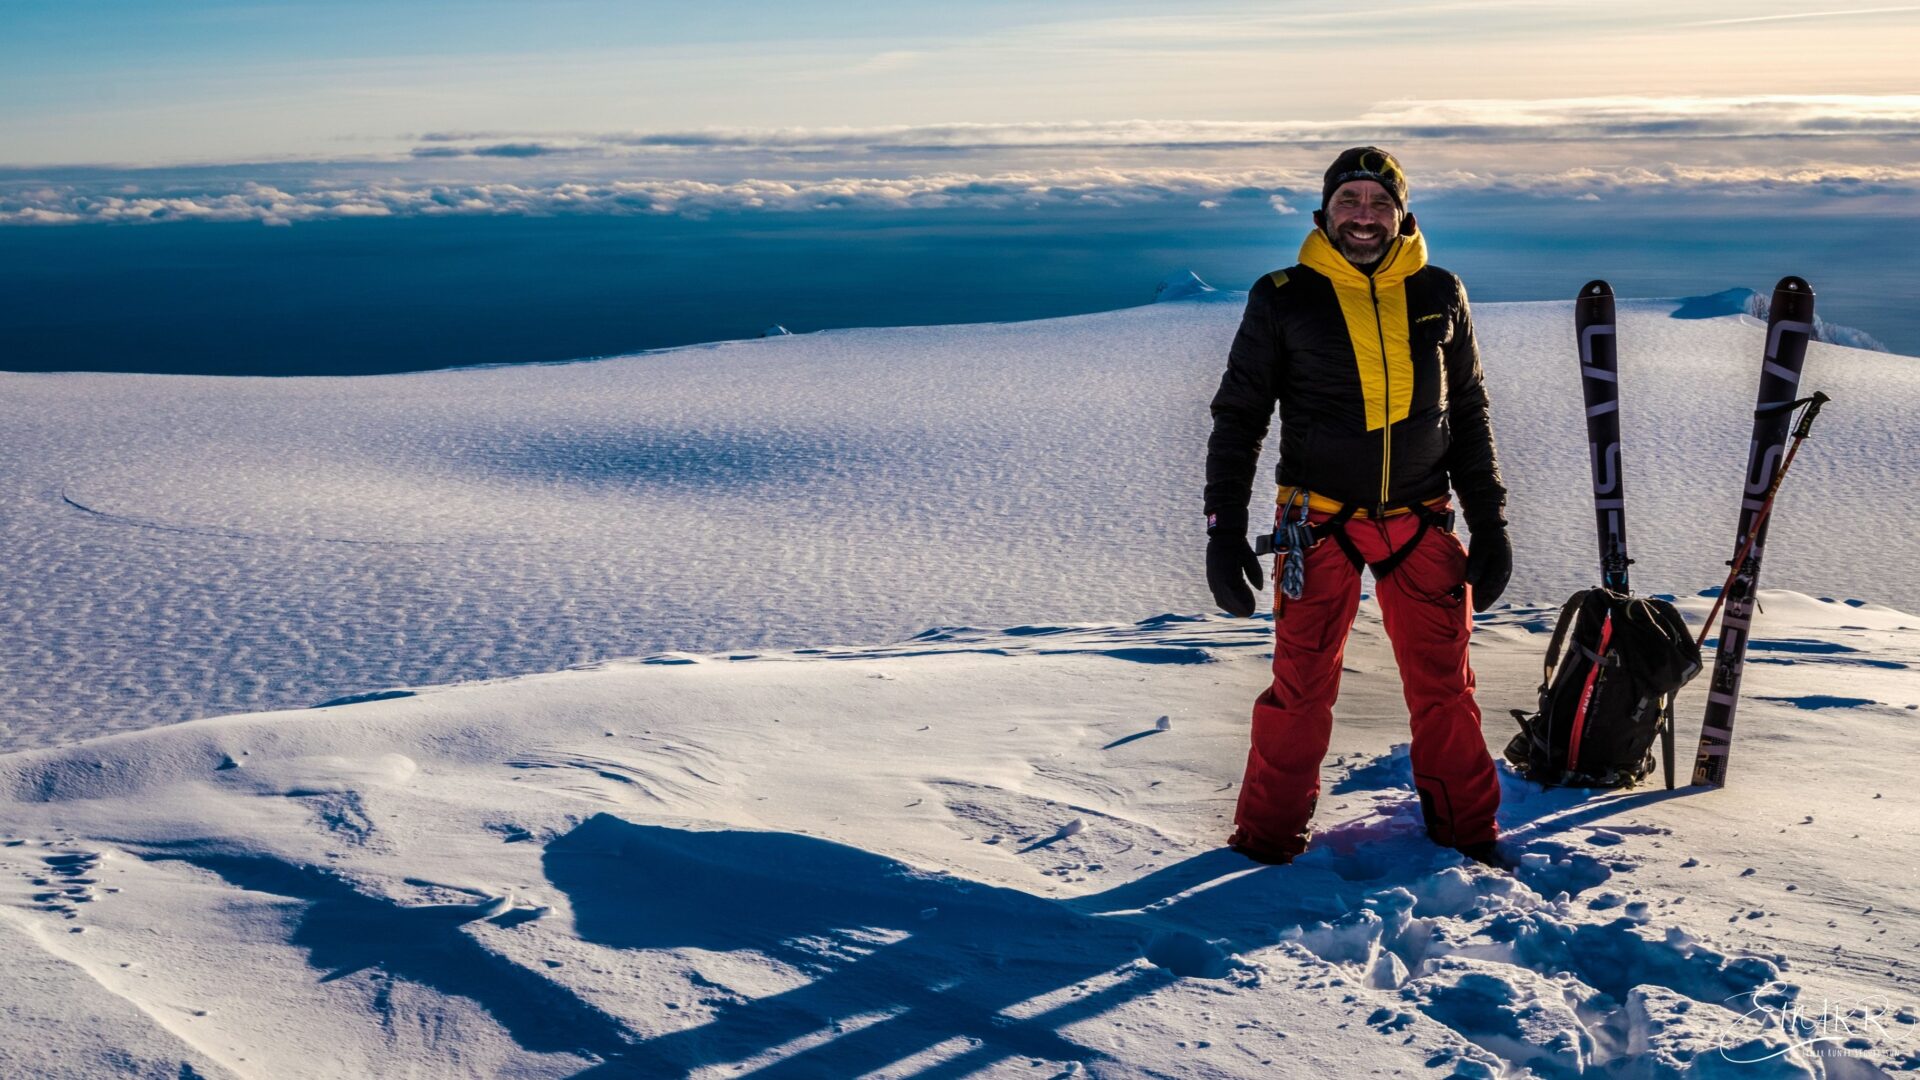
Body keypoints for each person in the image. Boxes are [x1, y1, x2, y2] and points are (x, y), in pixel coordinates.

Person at [1203, 146, 1513, 865]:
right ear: (1324, 213)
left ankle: (1469, 835)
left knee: (1445, 689)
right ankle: (1267, 843)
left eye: (1379, 203)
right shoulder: (1284, 295)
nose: (1364, 217)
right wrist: (1222, 530)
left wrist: (1491, 521)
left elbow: (1468, 413)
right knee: (1299, 691)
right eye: (1350, 203)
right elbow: (1239, 417)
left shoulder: (1440, 291)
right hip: (1316, 525)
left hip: (1422, 517)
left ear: (1404, 215)